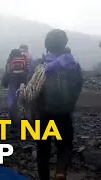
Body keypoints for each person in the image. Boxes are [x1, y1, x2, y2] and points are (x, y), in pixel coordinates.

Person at [34, 29, 83, 180]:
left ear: (47, 44)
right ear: (65, 44)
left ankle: (44, 177)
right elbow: (78, 85)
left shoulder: (41, 65)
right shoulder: (73, 64)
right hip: (64, 113)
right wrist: (70, 104)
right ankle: (60, 171)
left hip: (44, 114)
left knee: (43, 149)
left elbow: (32, 90)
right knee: (64, 146)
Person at [2, 47, 33, 129]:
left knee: (12, 100)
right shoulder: (25, 58)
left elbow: (7, 72)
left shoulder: (10, 59)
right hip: (23, 80)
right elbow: (28, 70)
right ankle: (26, 120)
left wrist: (5, 82)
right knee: (25, 99)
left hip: (13, 80)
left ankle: (14, 124)